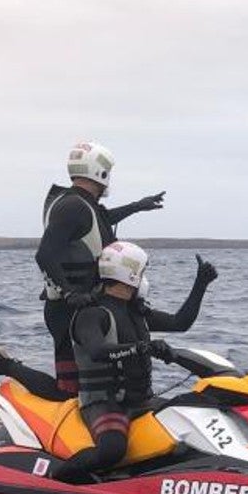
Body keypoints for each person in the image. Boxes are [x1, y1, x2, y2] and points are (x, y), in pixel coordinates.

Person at [0, 242, 217, 479]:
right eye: (142, 271)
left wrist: (201, 284)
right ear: (130, 274)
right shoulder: (92, 314)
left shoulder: (136, 313)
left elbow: (180, 323)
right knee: (111, 450)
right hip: (103, 402)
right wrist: (142, 347)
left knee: (191, 412)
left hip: (141, 400)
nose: (144, 278)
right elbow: (98, 351)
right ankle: (56, 481)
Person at [36, 141, 166, 394]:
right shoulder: (71, 206)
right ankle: (6, 366)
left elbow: (101, 219)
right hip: (69, 309)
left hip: (84, 304)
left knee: (95, 381)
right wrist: (70, 293)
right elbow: (44, 254)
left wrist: (138, 206)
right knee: (71, 389)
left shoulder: (81, 204)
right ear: (100, 173)